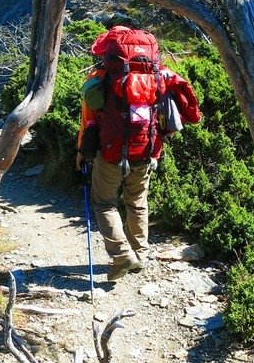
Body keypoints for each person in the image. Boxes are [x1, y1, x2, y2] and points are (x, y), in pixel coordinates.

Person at [75, 26, 201, 283]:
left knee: (104, 203)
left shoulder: (99, 77)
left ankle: (122, 254)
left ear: (111, 52)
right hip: (147, 148)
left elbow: (88, 118)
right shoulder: (159, 73)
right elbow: (187, 102)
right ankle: (140, 254)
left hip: (110, 151)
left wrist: (81, 150)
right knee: (137, 202)